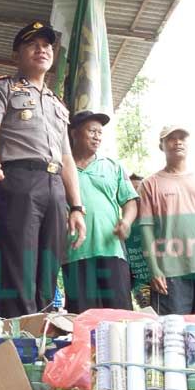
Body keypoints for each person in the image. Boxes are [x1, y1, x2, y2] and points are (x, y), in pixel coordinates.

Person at [0, 21, 86, 318]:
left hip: (54, 187)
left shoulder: (57, 105)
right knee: (19, 268)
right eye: (33, 45)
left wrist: (76, 206)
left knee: (48, 270)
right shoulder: (2, 88)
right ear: (17, 55)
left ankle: (44, 336)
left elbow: (66, 157)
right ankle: (19, 340)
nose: (42, 50)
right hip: (19, 181)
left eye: (47, 46)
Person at [138, 125, 195, 315]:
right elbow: (146, 229)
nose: (178, 141)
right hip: (169, 273)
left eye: (182, 138)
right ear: (161, 145)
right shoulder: (149, 184)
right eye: (171, 138)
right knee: (173, 336)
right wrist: (154, 269)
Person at [63, 111, 138, 313]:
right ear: (74, 133)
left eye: (100, 132)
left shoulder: (112, 166)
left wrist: (127, 222)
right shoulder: (62, 168)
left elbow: (130, 201)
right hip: (74, 253)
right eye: (92, 131)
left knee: (119, 316)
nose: (97, 136)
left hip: (112, 251)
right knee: (82, 317)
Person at [126, 173, 151, 308]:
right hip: (140, 286)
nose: (136, 195)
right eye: (131, 190)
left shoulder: (156, 222)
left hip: (162, 281)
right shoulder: (124, 226)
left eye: (139, 190)